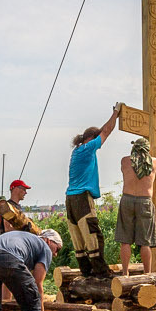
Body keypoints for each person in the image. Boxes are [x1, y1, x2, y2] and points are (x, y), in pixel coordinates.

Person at [65, 105, 121, 279]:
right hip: (82, 197)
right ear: (91, 139)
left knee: (79, 237)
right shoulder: (88, 148)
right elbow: (106, 131)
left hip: (70, 198)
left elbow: (101, 132)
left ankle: (86, 272)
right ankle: (101, 272)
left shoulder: (77, 151)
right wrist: (116, 113)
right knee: (93, 234)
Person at [116, 137, 156, 275]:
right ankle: (147, 274)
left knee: (125, 240)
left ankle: (125, 273)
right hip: (145, 201)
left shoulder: (125, 161)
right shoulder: (154, 163)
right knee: (145, 241)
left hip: (127, 200)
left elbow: (128, 170)